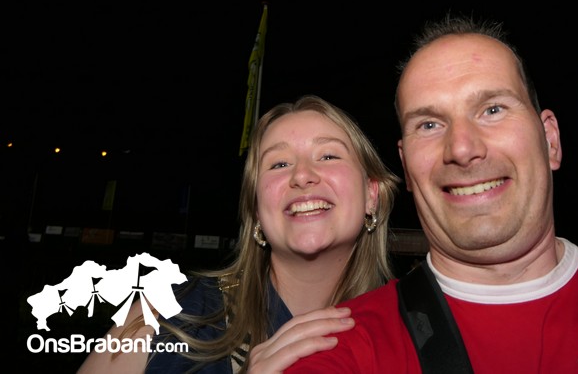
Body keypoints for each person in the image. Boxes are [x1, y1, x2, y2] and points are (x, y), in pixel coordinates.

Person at [285, 15, 578, 373]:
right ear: (407, 166)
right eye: (429, 125)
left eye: (493, 110)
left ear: (551, 140)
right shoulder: (341, 350)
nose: (462, 148)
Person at [77, 94, 401, 373]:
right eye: (279, 164)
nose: (302, 175)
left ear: (371, 195)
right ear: (257, 210)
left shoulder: (414, 330)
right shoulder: (165, 316)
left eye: (328, 156)